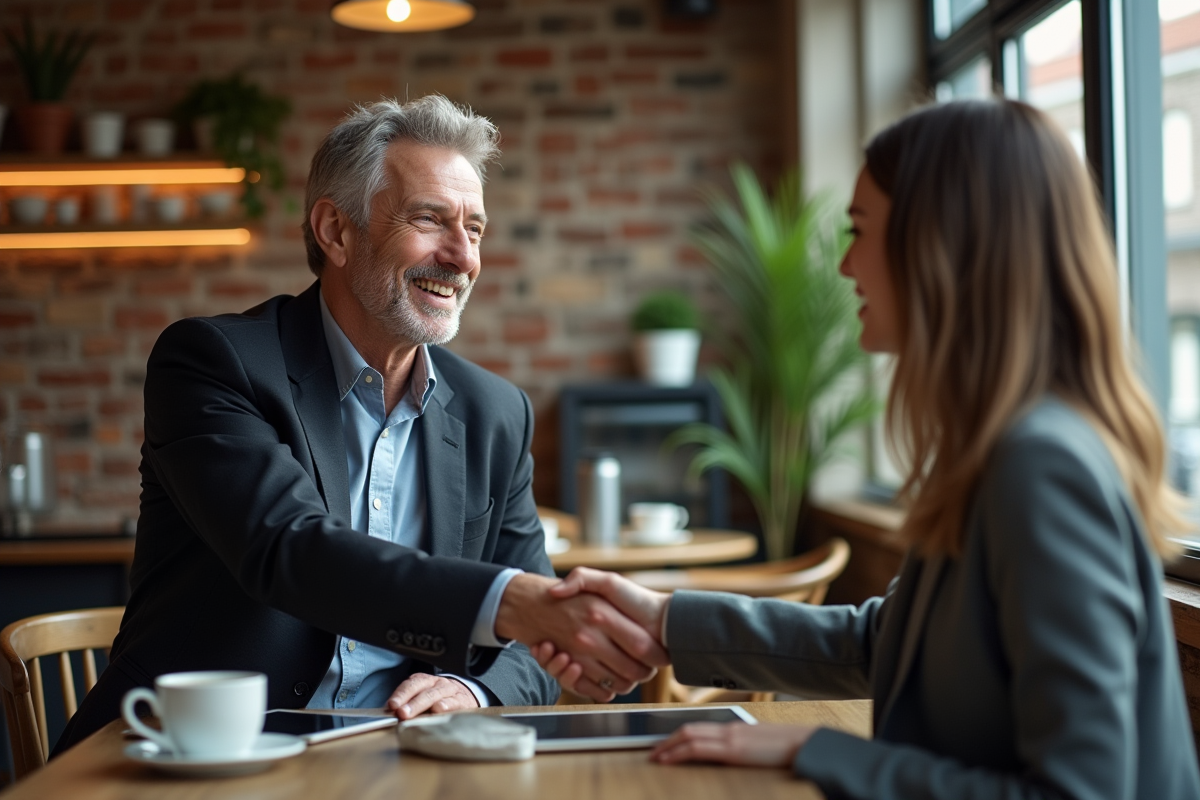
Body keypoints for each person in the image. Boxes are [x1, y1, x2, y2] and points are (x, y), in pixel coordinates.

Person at [534, 98, 1200, 799]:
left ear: (940, 245)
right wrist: (666, 618)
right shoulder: (997, 452)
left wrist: (822, 750)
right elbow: (888, 645)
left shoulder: (1041, 468)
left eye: (860, 231)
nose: (847, 265)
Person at [56, 96, 666, 754]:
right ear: (336, 231)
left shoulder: (496, 412)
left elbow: (530, 653)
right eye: (430, 219)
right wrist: (513, 602)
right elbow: (291, 551)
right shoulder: (213, 362)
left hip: (389, 761)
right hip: (184, 760)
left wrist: (474, 691)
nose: (463, 258)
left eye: (476, 228)